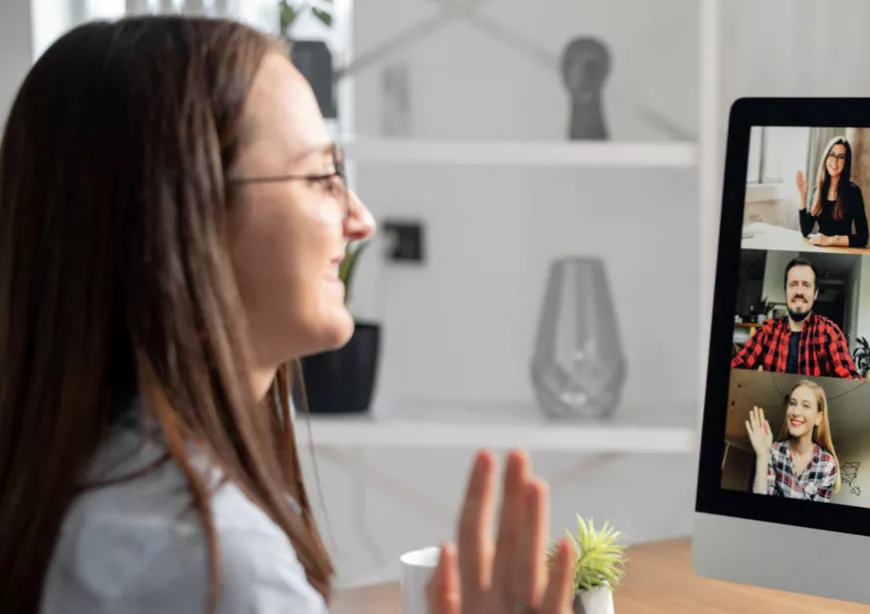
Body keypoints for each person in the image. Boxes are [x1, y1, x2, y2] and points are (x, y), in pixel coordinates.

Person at [0, 17, 575, 614]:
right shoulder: (214, 563)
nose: (360, 219)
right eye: (320, 176)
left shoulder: (74, 486)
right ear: (190, 218)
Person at [730, 258, 861, 379]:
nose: (799, 292)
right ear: (785, 290)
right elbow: (735, 368)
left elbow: (849, 377)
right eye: (793, 284)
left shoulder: (829, 332)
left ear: (815, 294)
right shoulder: (768, 332)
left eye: (806, 285)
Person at [744, 380, 841, 501]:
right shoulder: (774, 451)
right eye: (792, 403)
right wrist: (762, 455)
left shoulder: (828, 464)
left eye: (806, 405)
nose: (795, 412)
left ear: (818, 418)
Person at [794, 136, 870, 249]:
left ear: (846, 162)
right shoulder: (818, 190)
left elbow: (863, 238)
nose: (835, 161)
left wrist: (830, 240)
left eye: (841, 157)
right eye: (832, 155)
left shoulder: (853, 191)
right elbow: (806, 231)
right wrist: (802, 196)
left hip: (843, 252)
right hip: (820, 250)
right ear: (826, 158)